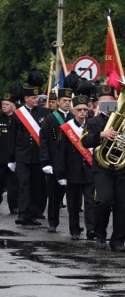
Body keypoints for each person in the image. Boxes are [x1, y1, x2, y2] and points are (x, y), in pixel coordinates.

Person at [82, 84, 125, 250]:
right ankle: (100, 234)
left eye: (110, 102)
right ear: (98, 104)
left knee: (123, 204)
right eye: (103, 102)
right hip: (103, 168)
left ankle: (118, 240)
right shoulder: (92, 121)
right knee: (103, 201)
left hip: (123, 167)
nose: (107, 105)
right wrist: (101, 135)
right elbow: (85, 141)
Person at [8, 84, 50, 226]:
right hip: (22, 156)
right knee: (23, 185)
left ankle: (33, 213)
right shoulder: (18, 114)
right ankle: (23, 214)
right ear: (26, 98)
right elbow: (12, 137)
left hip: (38, 156)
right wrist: (11, 158)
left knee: (36, 186)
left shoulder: (44, 112)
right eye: (33, 97)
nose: (37, 99)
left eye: (37, 97)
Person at [53, 95, 95, 240]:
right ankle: (75, 230)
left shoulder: (92, 126)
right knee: (73, 204)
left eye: (85, 109)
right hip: (72, 172)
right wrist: (60, 174)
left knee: (90, 202)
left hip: (90, 170)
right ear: (74, 110)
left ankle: (91, 230)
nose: (83, 112)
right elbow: (60, 152)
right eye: (79, 109)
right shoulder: (66, 129)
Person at [40, 87, 73, 233]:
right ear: (58, 102)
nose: (67, 103)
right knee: (54, 195)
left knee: (71, 195)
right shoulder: (50, 118)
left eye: (69, 100)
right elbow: (44, 142)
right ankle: (53, 222)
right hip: (54, 162)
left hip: (71, 162)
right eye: (64, 100)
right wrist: (45, 162)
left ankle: (75, 226)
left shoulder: (74, 118)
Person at [0, 92, 20, 215]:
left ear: (13, 106)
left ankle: (14, 206)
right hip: (0, 157)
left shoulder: (18, 119)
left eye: (7, 104)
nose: (4, 106)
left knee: (13, 184)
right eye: (2, 104)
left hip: (13, 157)